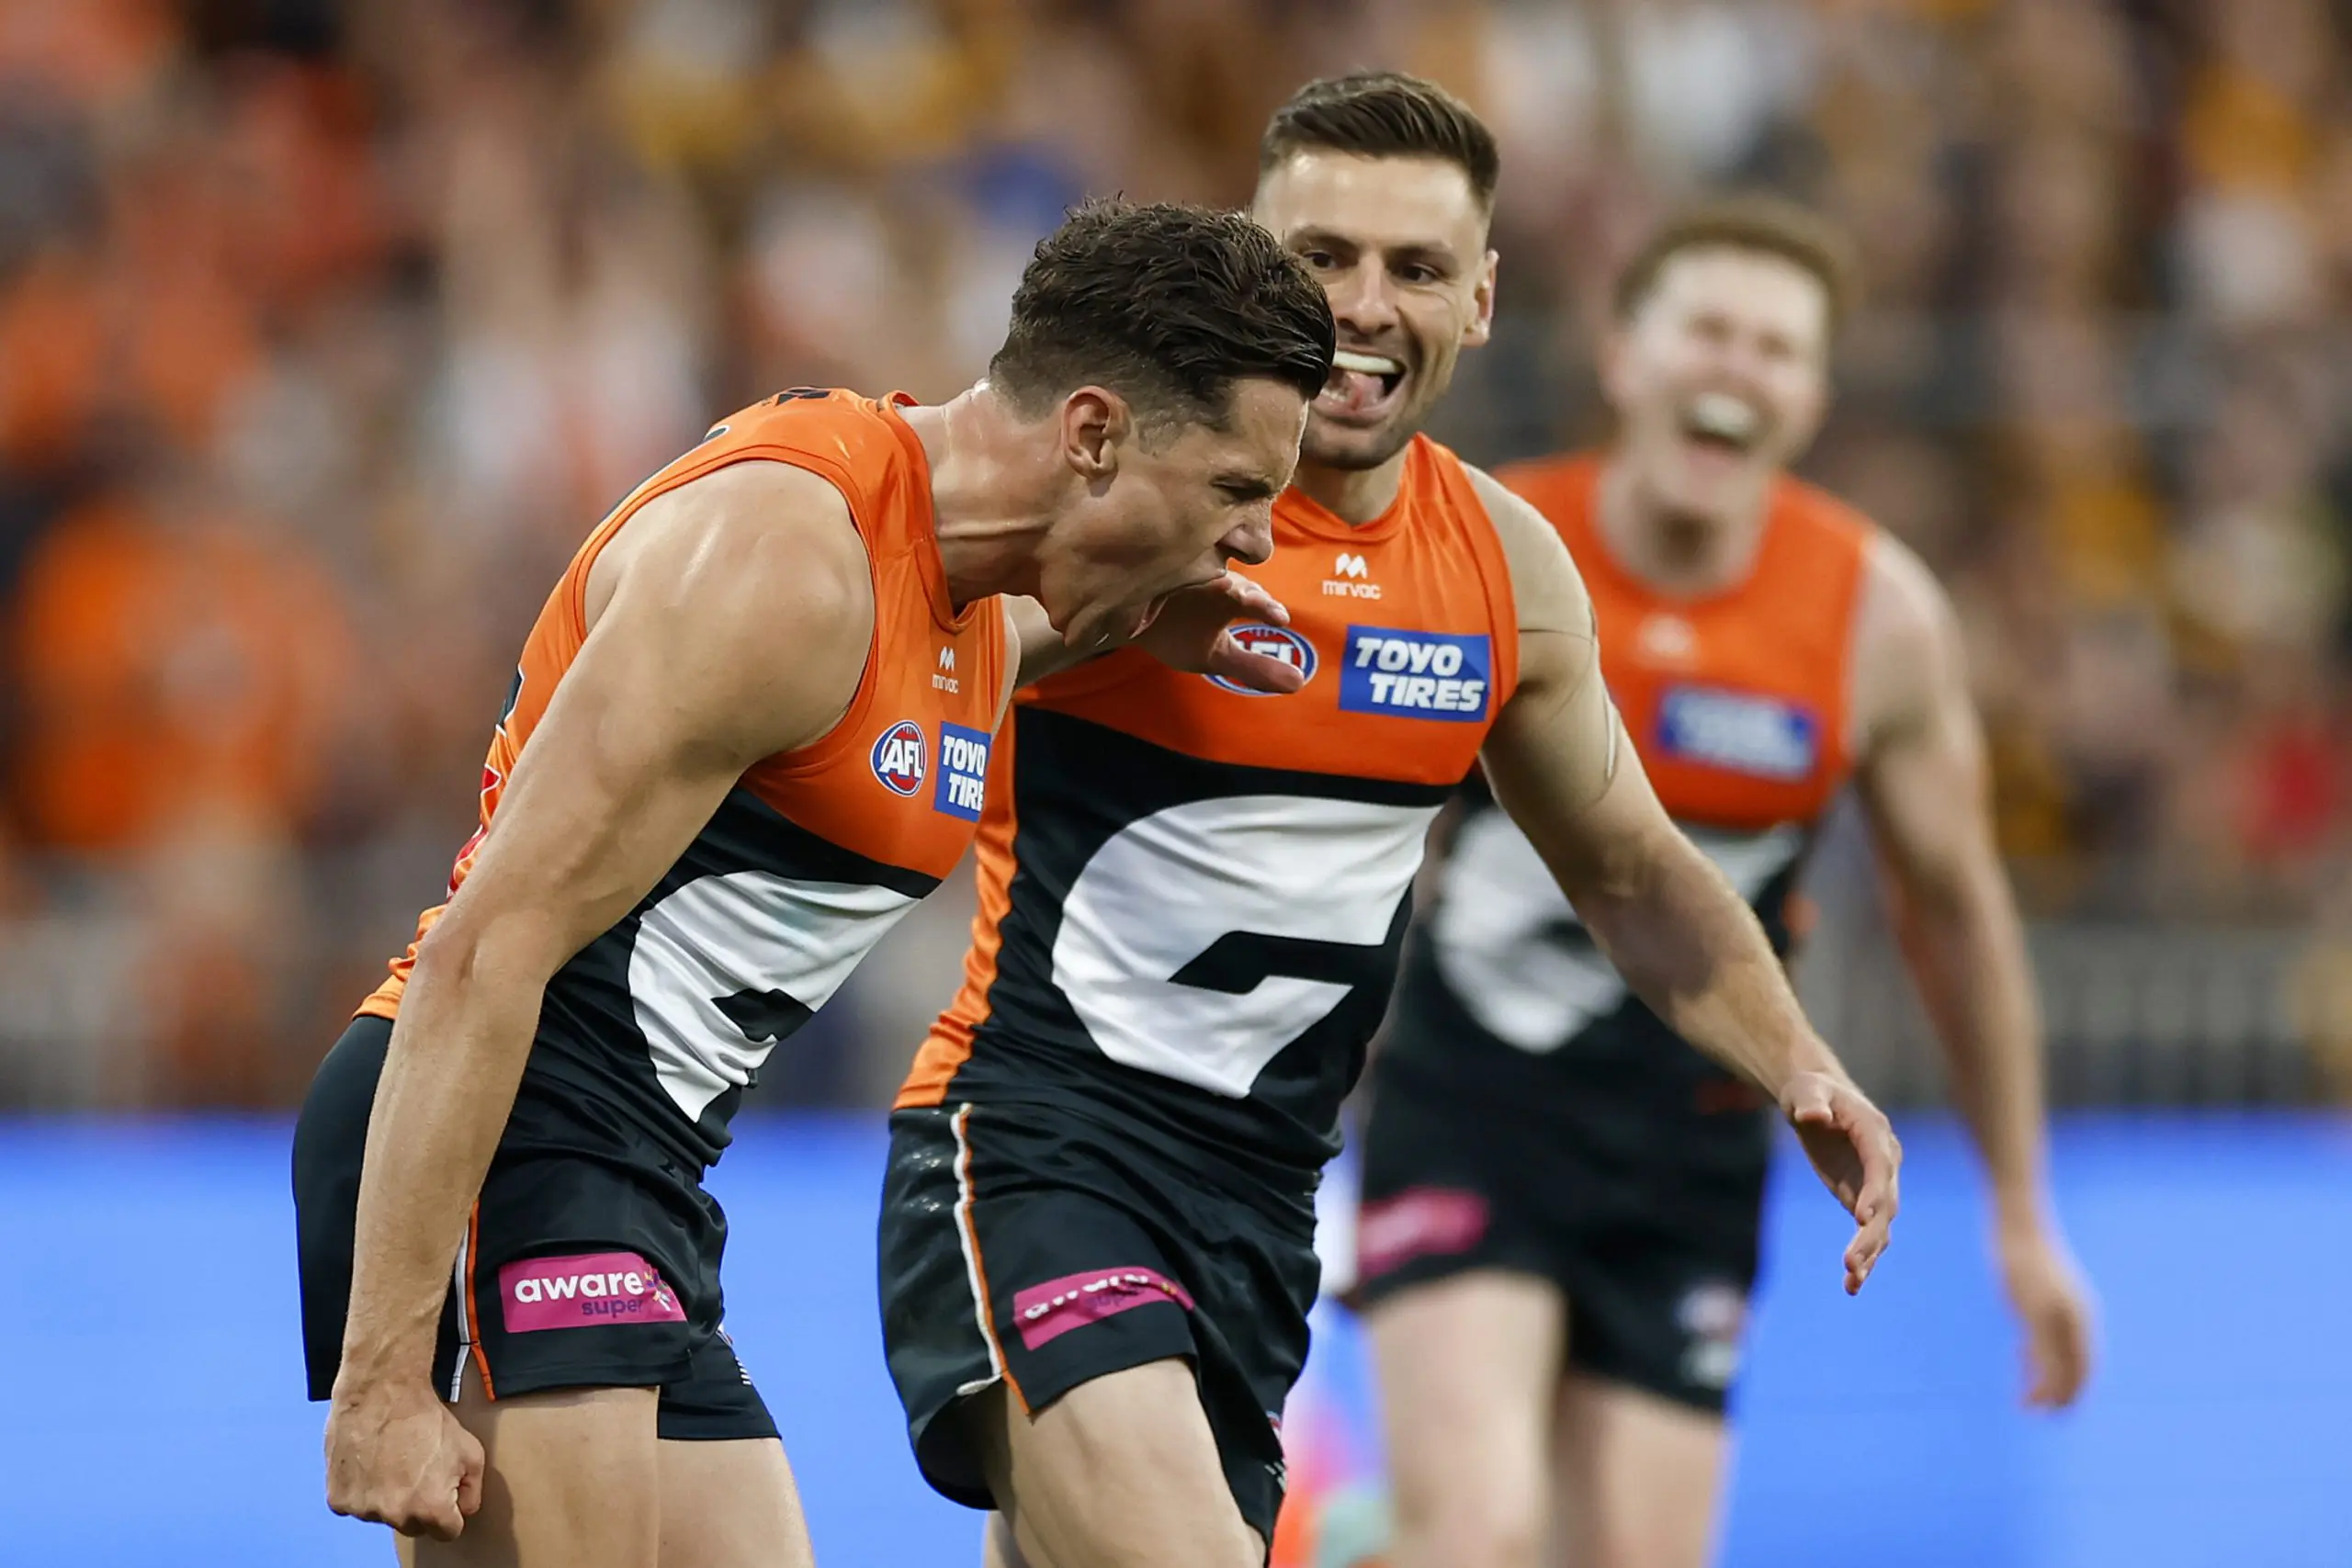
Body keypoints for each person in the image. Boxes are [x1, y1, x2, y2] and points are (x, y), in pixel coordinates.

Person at [876, 75, 1903, 1568]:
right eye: (1322, 258)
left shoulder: (1503, 570)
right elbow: (854, 633)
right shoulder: (1118, 498)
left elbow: (1629, 869)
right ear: (1249, 255)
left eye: (1416, 268)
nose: (1363, 307)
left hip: (1261, 1208)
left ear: (1481, 299)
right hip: (1041, 1148)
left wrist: (1801, 1062)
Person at [290, 198, 1337, 1567]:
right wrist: (381, 1380)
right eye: (1236, 491)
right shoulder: (788, 562)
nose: (1258, 542)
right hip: (514, 1132)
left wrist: (1157, 612)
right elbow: (483, 953)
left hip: (639, 1164)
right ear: (1092, 432)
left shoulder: (970, 591)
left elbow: (971, 650)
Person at [1349, 195, 2098, 1568]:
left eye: (1775, 348)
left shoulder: (1877, 617)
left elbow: (1959, 922)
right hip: (1471, 1105)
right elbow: (1345, 825)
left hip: (1692, 1143)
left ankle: (1347, 1541)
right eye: (1708, 330)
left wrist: (2021, 1215)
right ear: (1625, 358)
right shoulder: (1490, 549)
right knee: (1483, 1533)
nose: (1735, 370)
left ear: (1812, 394)